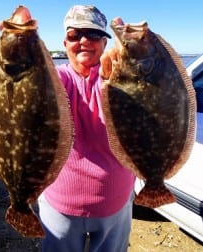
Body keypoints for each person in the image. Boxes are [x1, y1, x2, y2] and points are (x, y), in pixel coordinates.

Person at [38, 5, 136, 252]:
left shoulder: (123, 79)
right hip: (59, 206)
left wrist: (116, 77)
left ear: (104, 43)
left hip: (117, 202)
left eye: (93, 35)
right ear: (64, 42)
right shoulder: (55, 79)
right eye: (74, 35)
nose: (83, 41)